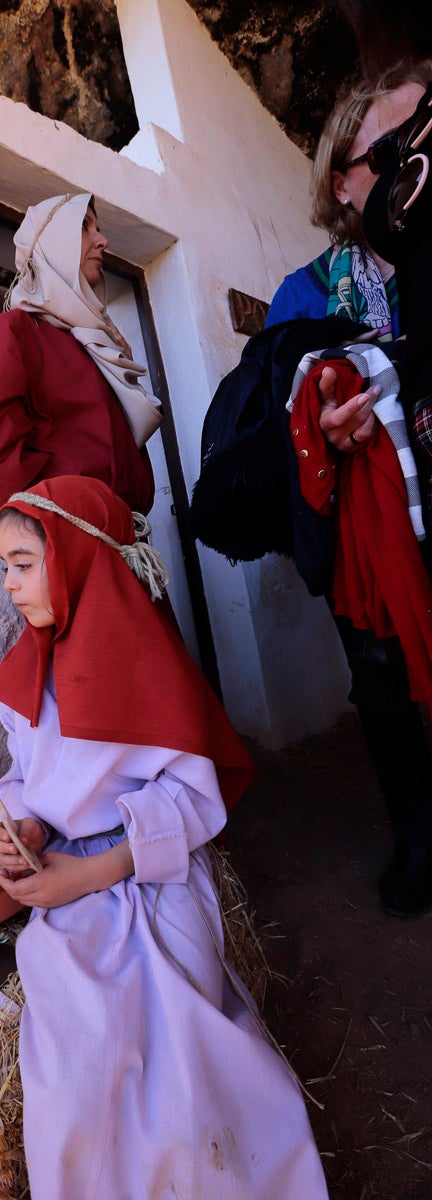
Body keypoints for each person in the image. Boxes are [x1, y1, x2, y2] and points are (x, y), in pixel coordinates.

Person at [0, 474, 329, 1199]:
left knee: (175, 1058)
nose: (10, 586)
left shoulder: (145, 672)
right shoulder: (27, 673)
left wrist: (87, 875)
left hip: (145, 880)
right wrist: (24, 822)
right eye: (6, 567)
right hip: (67, 883)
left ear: (77, 558)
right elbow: (27, 775)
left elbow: (192, 801)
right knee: (74, 1060)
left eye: (23, 564)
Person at [265, 60, 432, 918]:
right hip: (367, 533)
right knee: (383, 677)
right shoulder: (302, 294)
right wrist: (323, 436)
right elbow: (282, 415)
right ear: (344, 181)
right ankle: (418, 832)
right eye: (396, 151)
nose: (419, 168)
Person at [0, 193, 162, 515]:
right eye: (84, 227)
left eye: (98, 228)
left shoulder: (98, 342)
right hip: (68, 535)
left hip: (128, 537)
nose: (102, 240)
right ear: (52, 242)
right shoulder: (14, 331)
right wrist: (41, 537)